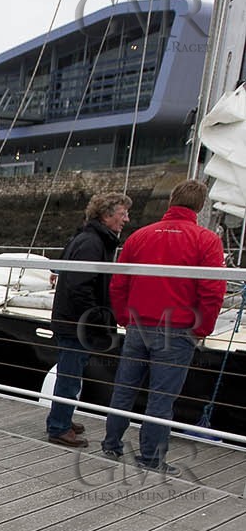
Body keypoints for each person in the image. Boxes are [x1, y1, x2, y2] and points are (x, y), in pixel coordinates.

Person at [101, 178, 226, 471]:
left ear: (171, 201)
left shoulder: (140, 236)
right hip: (177, 329)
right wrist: (202, 329)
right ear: (200, 206)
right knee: (161, 398)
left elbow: (118, 283)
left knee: (125, 388)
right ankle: (151, 457)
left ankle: (111, 444)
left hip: (138, 325)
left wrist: (124, 317)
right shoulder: (206, 240)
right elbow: (212, 291)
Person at [45, 192, 131, 448]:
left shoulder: (87, 237)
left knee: (71, 373)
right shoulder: (92, 243)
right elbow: (79, 286)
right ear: (106, 215)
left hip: (73, 321)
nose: (126, 219)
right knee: (70, 375)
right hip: (76, 323)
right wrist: (97, 317)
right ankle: (59, 426)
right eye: (122, 213)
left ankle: (62, 417)